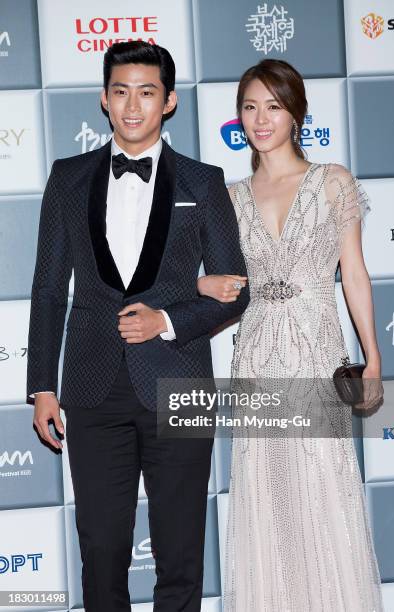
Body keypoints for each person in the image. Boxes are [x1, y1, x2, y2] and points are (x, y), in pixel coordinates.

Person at [26, 41, 249, 612]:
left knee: (179, 551)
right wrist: (43, 387)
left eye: (146, 93)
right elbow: (50, 289)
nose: (132, 106)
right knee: (101, 549)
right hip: (91, 386)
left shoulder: (204, 180)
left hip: (181, 384)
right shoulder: (68, 178)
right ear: (104, 98)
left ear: (169, 102)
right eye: (121, 91)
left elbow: (233, 288)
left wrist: (168, 320)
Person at [197, 59, 385, 611]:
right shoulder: (228, 198)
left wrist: (372, 359)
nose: (261, 119)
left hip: (316, 347)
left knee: (324, 492)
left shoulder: (333, 181)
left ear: (296, 113)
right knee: (269, 498)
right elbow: (227, 288)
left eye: (274, 106)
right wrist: (203, 285)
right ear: (238, 118)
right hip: (256, 353)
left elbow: (353, 271)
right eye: (250, 107)